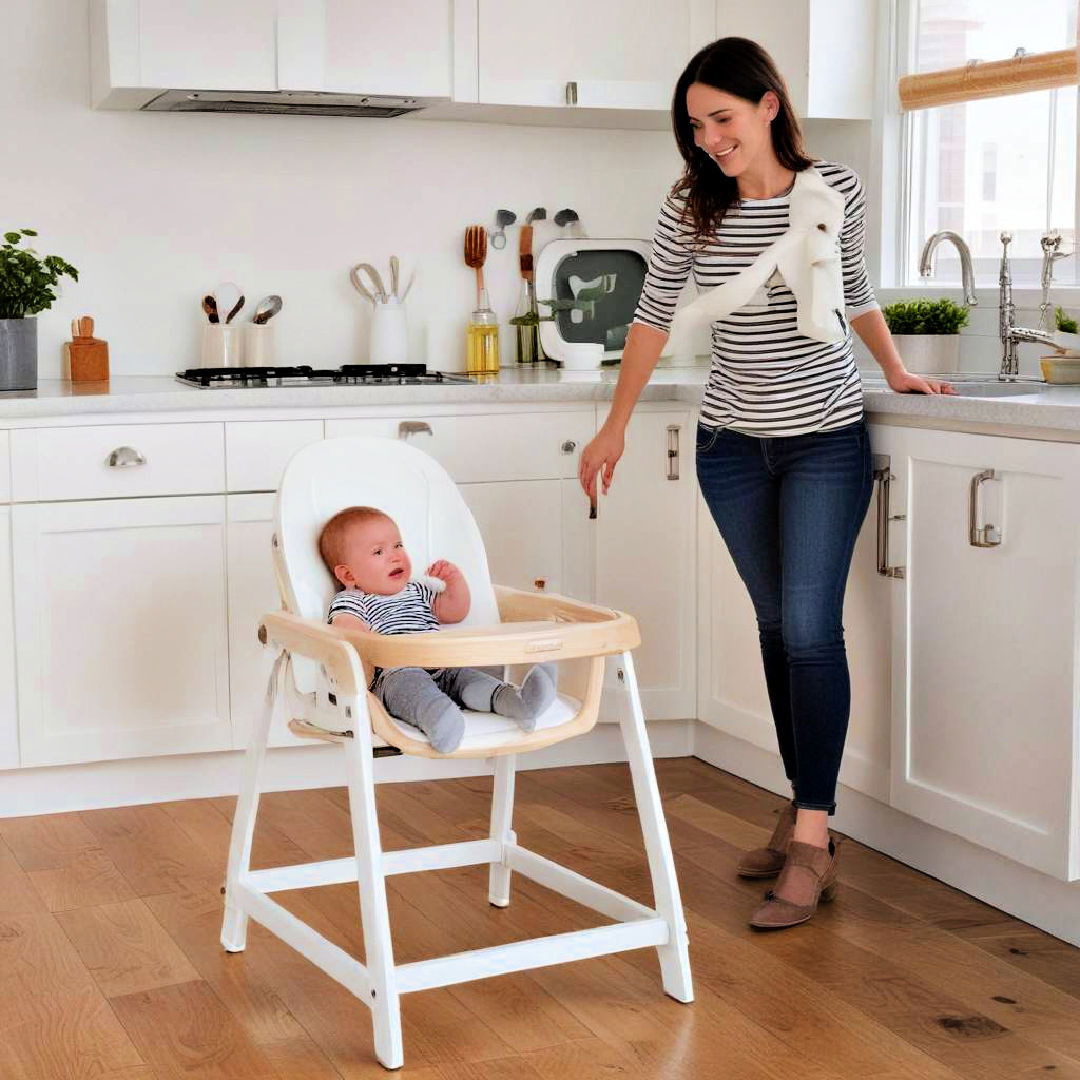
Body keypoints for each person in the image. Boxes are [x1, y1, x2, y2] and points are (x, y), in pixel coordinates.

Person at [578, 37, 957, 931]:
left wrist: (895, 369)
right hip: (731, 447)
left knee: (813, 629)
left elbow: (855, 288)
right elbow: (653, 313)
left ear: (769, 107)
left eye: (723, 118)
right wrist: (615, 422)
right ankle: (802, 809)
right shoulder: (692, 207)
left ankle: (815, 839)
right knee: (779, 624)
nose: (710, 138)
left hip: (823, 438)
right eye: (696, 124)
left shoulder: (834, 191)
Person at [319, 505, 556, 754]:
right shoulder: (353, 600)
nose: (395, 556)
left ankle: (519, 702)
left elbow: (455, 611)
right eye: (378, 551)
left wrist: (453, 581)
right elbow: (349, 634)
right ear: (348, 574)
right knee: (412, 686)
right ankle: (439, 718)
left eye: (398, 545)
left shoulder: (417, 590)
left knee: (470, 678)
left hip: (443, 667)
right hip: (395, 673)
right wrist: (368, 641)